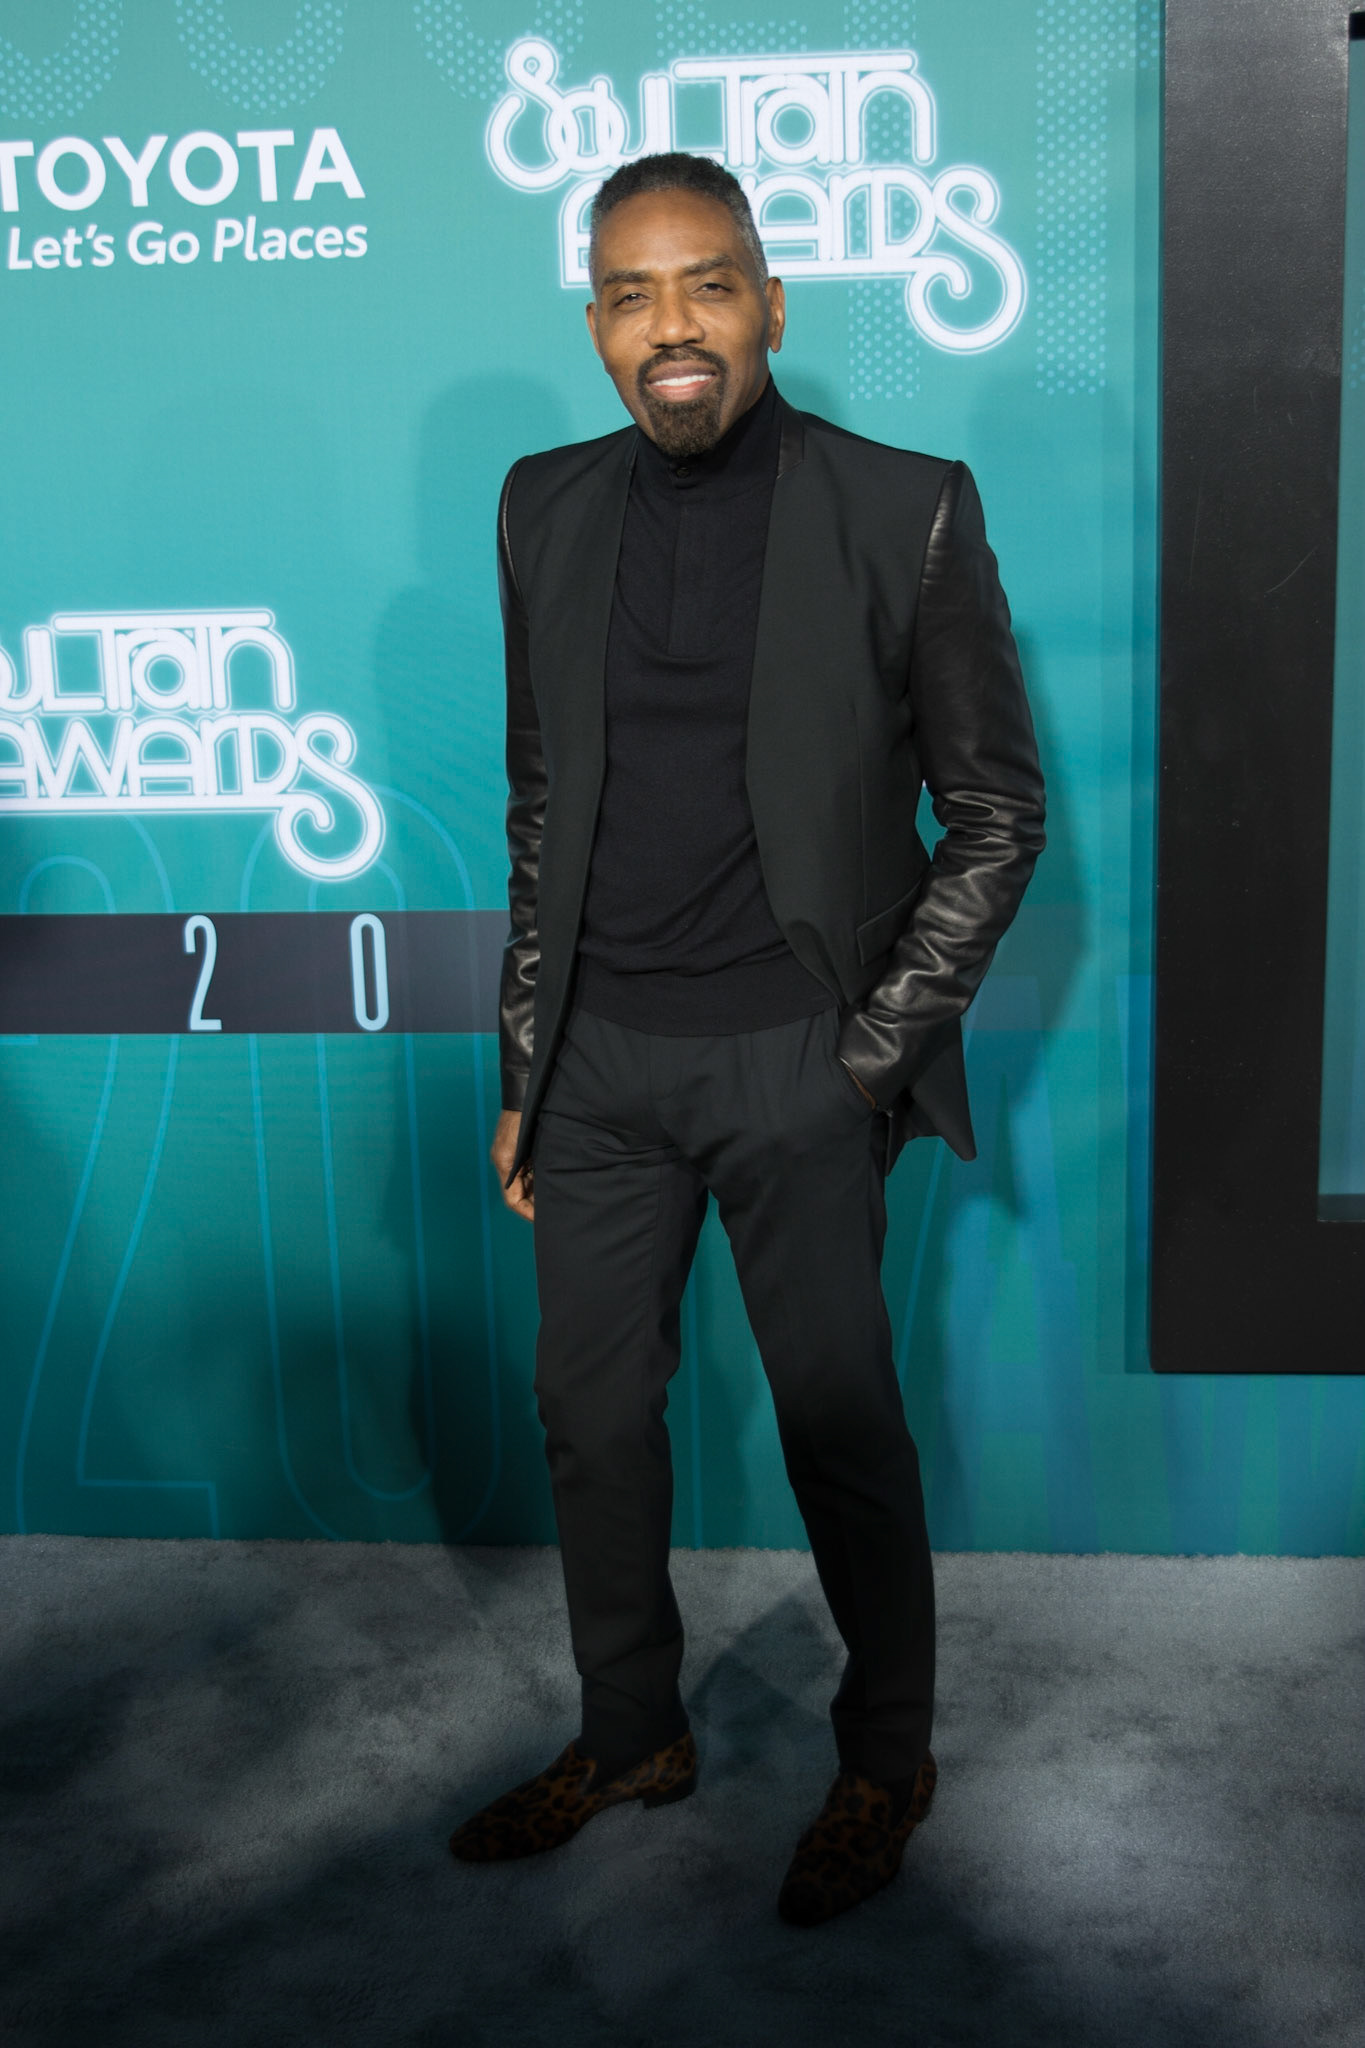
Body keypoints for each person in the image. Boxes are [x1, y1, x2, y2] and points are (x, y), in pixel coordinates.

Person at [448, 152, 1045, 1927]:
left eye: (706, 283)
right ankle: (631, 1734)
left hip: (797, 1055)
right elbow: (540, 803)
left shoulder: (903, 506)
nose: (672, 325)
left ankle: (885, 1760)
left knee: (837, 1424)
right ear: (594, 325)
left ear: (770, 302)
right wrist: (525, 1061)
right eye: (630, 294)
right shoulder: (540, 506)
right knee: (589, 1419)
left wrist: (866, 1057)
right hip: (599, 1069)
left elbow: (995, 812)